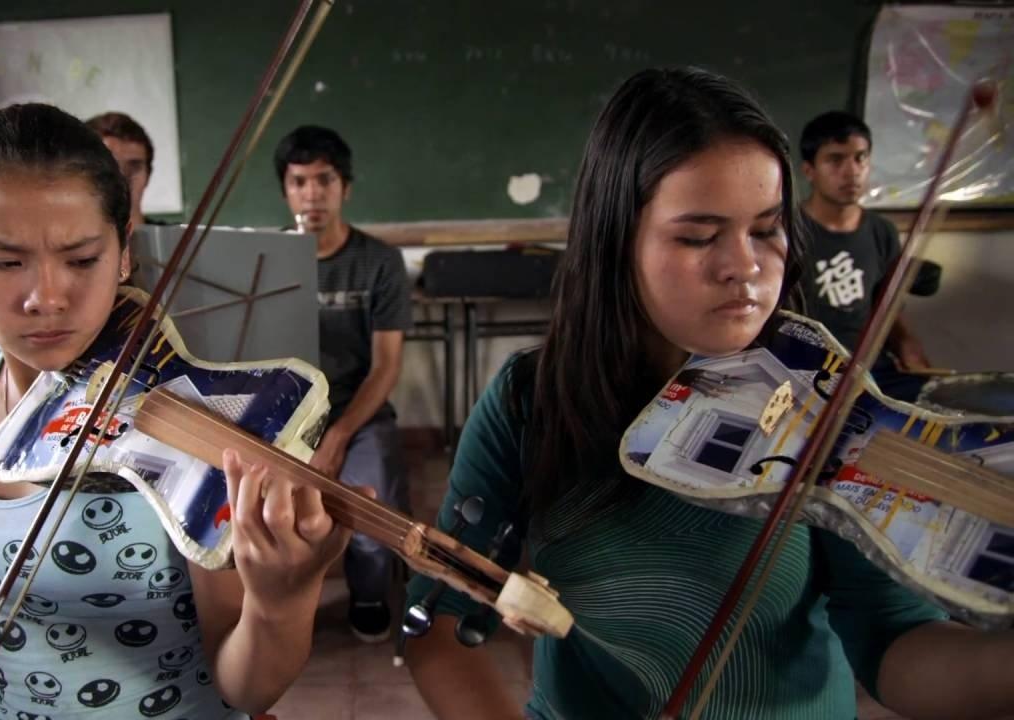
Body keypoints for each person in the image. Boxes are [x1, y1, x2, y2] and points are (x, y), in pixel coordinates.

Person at [403, 67, 1014, 720]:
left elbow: (894, 634)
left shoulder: (823, 397)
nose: (745, 267)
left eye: (767, 230)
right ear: (617, 243)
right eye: (698, 237)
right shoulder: (533, 400)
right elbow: (439, 628)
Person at [0, 103, 354, 720]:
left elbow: (245, 688)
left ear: (123, 254)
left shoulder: (185, 415)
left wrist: (281, 601)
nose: (47, 298)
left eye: (83, 259)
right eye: (6, 262)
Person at [272, 125, 413, 643]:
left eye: (325, 180)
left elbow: (386, 366)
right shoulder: (267, 261)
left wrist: (338, 434)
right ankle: (279, 608)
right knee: (257, 513)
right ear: (286, 190)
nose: (312, 194)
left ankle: (370, 593)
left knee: (370, 518)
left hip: (359, 412)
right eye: (300, 181)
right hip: (285, 414)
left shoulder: (379, 262)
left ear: (345, 188)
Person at [798, 110, 931, 402]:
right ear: (809, 170)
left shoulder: (881, 231)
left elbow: (887, 304)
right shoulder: (787, 231)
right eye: (835, 160)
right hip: (809, 371)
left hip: (871, 369)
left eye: (860, 157)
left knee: (932, 407)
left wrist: (905, 342)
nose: (852, 171)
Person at [87, 111, 153, 232]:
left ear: (148, 175)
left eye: (134, 167)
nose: (123, 177)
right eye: (110, 165)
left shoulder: (177, 241)